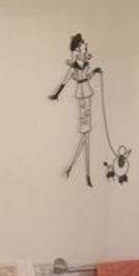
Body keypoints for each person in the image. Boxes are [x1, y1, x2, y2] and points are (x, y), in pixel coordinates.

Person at [49, 33, 102, 188]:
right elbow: (65, 80)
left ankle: (74, 169)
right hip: (83, 96)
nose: (86, 48)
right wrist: (57, 94)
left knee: (86, 134)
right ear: (78, 49)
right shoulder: (74, 67)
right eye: (84, 46)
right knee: (86, 133)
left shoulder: (84, 63)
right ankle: (85, 173)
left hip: (87, 94)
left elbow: (86, 77)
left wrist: (95, 71)